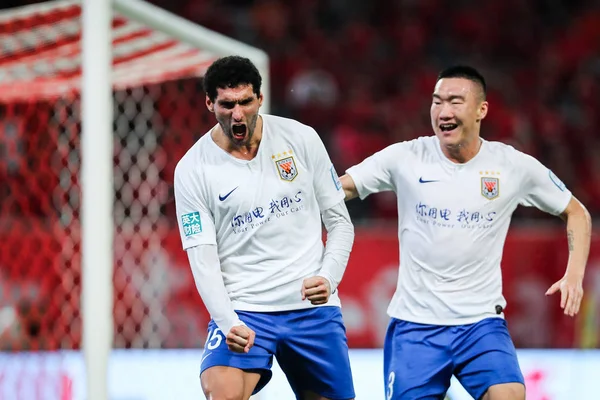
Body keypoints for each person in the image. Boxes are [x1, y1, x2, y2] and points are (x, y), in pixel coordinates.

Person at [340, 65, 592, 400]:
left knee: (509, 395)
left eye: (455, 102)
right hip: (416, 328)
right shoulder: (405, 157)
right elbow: (339, 188)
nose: (444, 111)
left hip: (480, 325)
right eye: (437, 101)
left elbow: (576, 211)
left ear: (481, 110)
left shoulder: (511, 166)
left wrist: (574, 274)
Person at [174, 55, 356, 400]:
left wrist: (329, 278)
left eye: (245, 102)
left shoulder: (301, 139)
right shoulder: (192, 169)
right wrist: (228, 322)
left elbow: (340, 225)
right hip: (245, 308)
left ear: (260, 97)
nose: (237, 114)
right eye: (227, 105)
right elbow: (202, 259)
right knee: (221, 393)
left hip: (311, 309)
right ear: (210, 103)